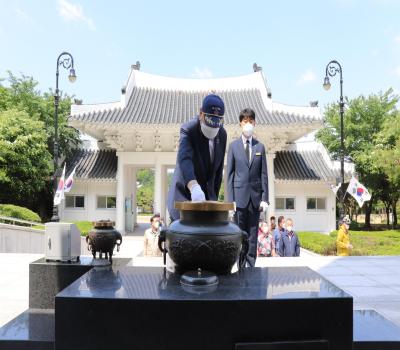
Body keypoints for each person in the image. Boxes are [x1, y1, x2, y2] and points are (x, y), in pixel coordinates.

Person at [167, 94, 227, 221]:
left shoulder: (222, 134)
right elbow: (185, 159)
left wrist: (213, 199)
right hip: (185, 196)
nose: (212, 127)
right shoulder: (189, 129)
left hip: (207, 202)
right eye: (209, 121)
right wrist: (194, 186)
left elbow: (217, 172)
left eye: (216, 123)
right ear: (201, 114)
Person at [227, 108, 269, 267]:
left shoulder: (260, 147)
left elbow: (264, 174)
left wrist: (265, 198)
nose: (248, 124)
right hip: (239, 199)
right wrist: (230, 202)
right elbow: (229, 175)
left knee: (252, 236)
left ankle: (251, 268)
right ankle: (240, 267)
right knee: (239, 235)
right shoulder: (233, 146)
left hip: (255, 199)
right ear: (240, 123)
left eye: (251, 121)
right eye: (245, 121)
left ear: (254, 123)